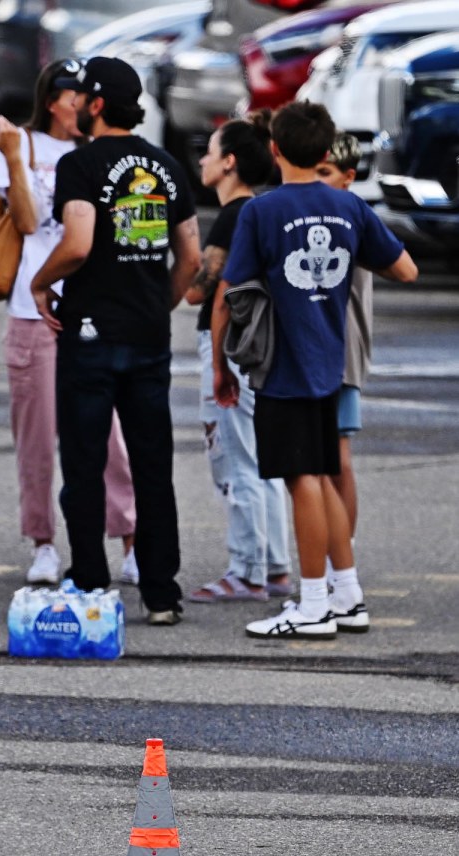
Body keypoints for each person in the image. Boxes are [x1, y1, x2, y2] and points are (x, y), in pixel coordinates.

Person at [215, 102, 417, 639]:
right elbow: (405, 268)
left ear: (275, 149)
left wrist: (220, 363)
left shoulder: (261, 212)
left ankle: (312, 605)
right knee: (323, 473)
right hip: (330, 360)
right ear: (327, 153)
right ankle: (346, 592)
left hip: (282, 362)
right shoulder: (346, 206)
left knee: (300, 478)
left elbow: (229, 290)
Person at [28, 56, 200, 626]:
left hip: (90, 335)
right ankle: (161, 594)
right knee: (153, 465)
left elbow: (78, 242)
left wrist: (40, 280)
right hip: (148, 336)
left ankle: (92, 583)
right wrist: (158, 304)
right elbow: (192, 257)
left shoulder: (81, 165)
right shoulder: (168, 165)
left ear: (98, 105)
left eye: (83, 97)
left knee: (84, 464)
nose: (75, 104)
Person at [0, 60, 138, 587]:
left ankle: (129, 537)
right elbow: (28, 223)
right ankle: (44, 543)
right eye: (76, 95)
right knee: (36, 437)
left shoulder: (96, 153)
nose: (85, 105)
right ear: (54, 99)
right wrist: (13, 158)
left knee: (111, 434)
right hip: (32, 312)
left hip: (88, 309)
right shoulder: (22, 147)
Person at [184, 114, 293, 604]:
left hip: (226, 346)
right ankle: (274, 566)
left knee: (234, 461)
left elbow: (200, 292)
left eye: (210, 151)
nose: (203, 159)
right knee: (259, 458)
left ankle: (246, 571)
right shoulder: (264, 210)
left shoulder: (233, 216)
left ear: (229, 162)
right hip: (259, 349)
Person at [313, 131, 373, 543]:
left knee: (338, 460)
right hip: (320, 348)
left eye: (325, 172)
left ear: (348, 176)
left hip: (342, 348)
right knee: (321, 460)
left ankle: (342, 557)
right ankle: (335, 560)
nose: (316, 181)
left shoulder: (348, 213)